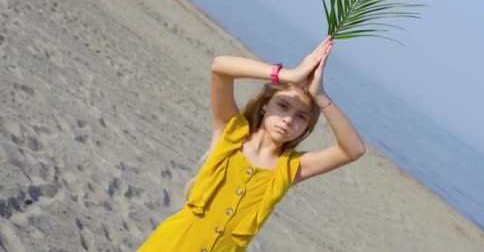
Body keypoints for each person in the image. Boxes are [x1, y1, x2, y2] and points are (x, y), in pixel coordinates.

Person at [137, 36, 366, 251]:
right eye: (283, 106)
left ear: (307, 127)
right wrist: (287, 75)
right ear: (266, 105)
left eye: (301, 116)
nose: (288, 120)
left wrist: (321, 96)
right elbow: (220, 67)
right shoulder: (230, 131)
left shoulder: (290, 169)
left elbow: (353, 149)